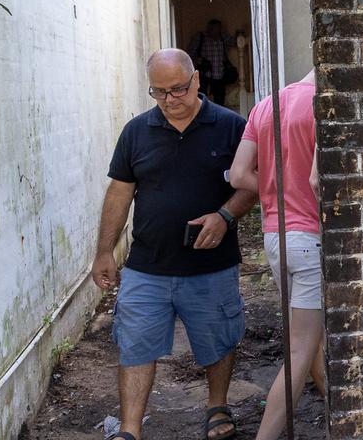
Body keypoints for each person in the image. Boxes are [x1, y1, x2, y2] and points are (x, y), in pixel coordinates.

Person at [89, 49, 256, 440]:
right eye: (159, 92)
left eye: (178, 89)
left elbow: (255, 184)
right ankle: (130, 429)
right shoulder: (136, 131)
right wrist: (104, 251)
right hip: (147, 266)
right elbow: (119, 192)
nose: (170, 99)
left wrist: (225, 215)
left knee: (218, 339)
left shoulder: (231, 127)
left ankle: (217, 406)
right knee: (135, 344)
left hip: (211, 265)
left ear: (196, 80)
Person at [227, 69, 328, 440]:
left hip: (275, 237)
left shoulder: (266, 105)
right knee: (300, 350)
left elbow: (239, 174)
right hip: (310, 240)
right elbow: (318, 181)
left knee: (308, 336)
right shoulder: (325, 104)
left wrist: (274, 193)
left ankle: (335, 406)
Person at [189, 19, 236, 106]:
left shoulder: (222, 38)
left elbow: (234, 43)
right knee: (203, 100)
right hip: (205, 75)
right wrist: (197, 60)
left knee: (220, 101)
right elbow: (190, 53)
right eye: (214, 29)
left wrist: (228, 33)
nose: (216, 31)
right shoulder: (201, 37)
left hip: (220, 75)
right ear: (209, 28)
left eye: (218, 29)